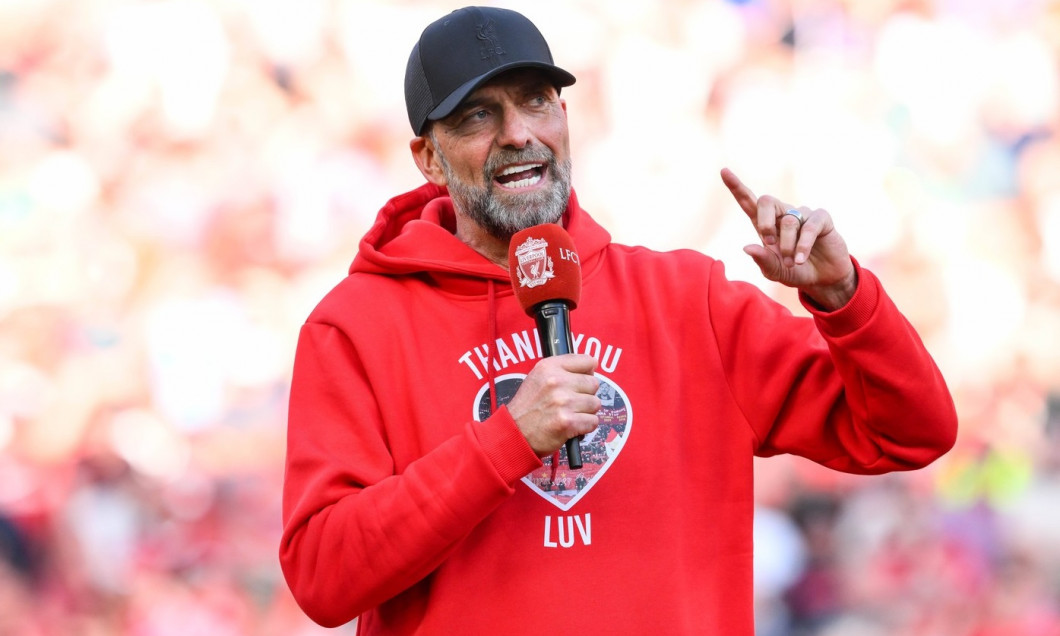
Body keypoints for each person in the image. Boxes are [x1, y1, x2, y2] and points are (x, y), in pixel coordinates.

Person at [278, 6, 958, 634]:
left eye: (536, 101)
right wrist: (505, 443)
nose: (518, 133)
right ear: (427, 157)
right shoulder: (354, 327)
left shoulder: (688, 299)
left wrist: (844, 299)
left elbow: (911, 434)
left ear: (565, 116)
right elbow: (323, 578)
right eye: (477, 116)